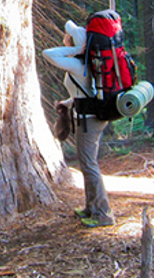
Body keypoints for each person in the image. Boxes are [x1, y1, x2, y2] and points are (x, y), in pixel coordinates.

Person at [42, 19, 115, 228]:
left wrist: (75, 49)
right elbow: (85, 92)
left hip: (89, 122)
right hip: (90, 117)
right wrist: (68, 103)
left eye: (70, 36)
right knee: (87, 164)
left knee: (90, 165)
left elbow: (48, 54)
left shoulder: (77, 63)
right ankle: (91, 208)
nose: (65, 37)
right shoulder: (88, 63)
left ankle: (103, 214)